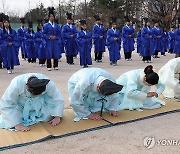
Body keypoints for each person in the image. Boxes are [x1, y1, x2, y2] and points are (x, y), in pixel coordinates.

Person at [0, 73, 65, 131]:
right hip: (21, 104)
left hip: (39, 102)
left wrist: (57, 116)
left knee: (48, 116)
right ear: (27, 87)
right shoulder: (17, 83)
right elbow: (7, 103)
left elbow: (56, 98)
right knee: (11, 120)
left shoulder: (48, 83)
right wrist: (16, 124)